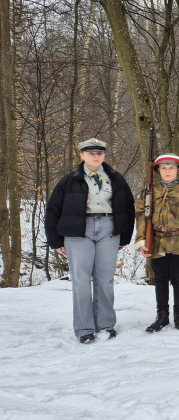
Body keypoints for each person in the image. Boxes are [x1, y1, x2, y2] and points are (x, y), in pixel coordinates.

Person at [45, 138, 135, 344]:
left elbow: (128, 208)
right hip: (78, 231)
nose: (96, 156)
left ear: (104, 155)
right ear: (82, 155)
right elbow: (53, 210)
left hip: (108, 228)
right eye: (91, 153)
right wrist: (55, 240)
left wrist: (124, 235)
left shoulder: (116, 179)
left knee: (105, 279)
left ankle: (106, 325)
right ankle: (84, 329)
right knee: (81, 280)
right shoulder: (69, 181)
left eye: (99, 153)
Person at [135, 154, 179, 332]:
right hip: (156, 241)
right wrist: (141, 240)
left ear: (178, 170)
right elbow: (141, 216)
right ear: (158, 170)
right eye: (163, 168)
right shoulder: (149, 191)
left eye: (171, 168)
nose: (167, 171)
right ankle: (162, 316)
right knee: (160, 280)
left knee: (178, 280)